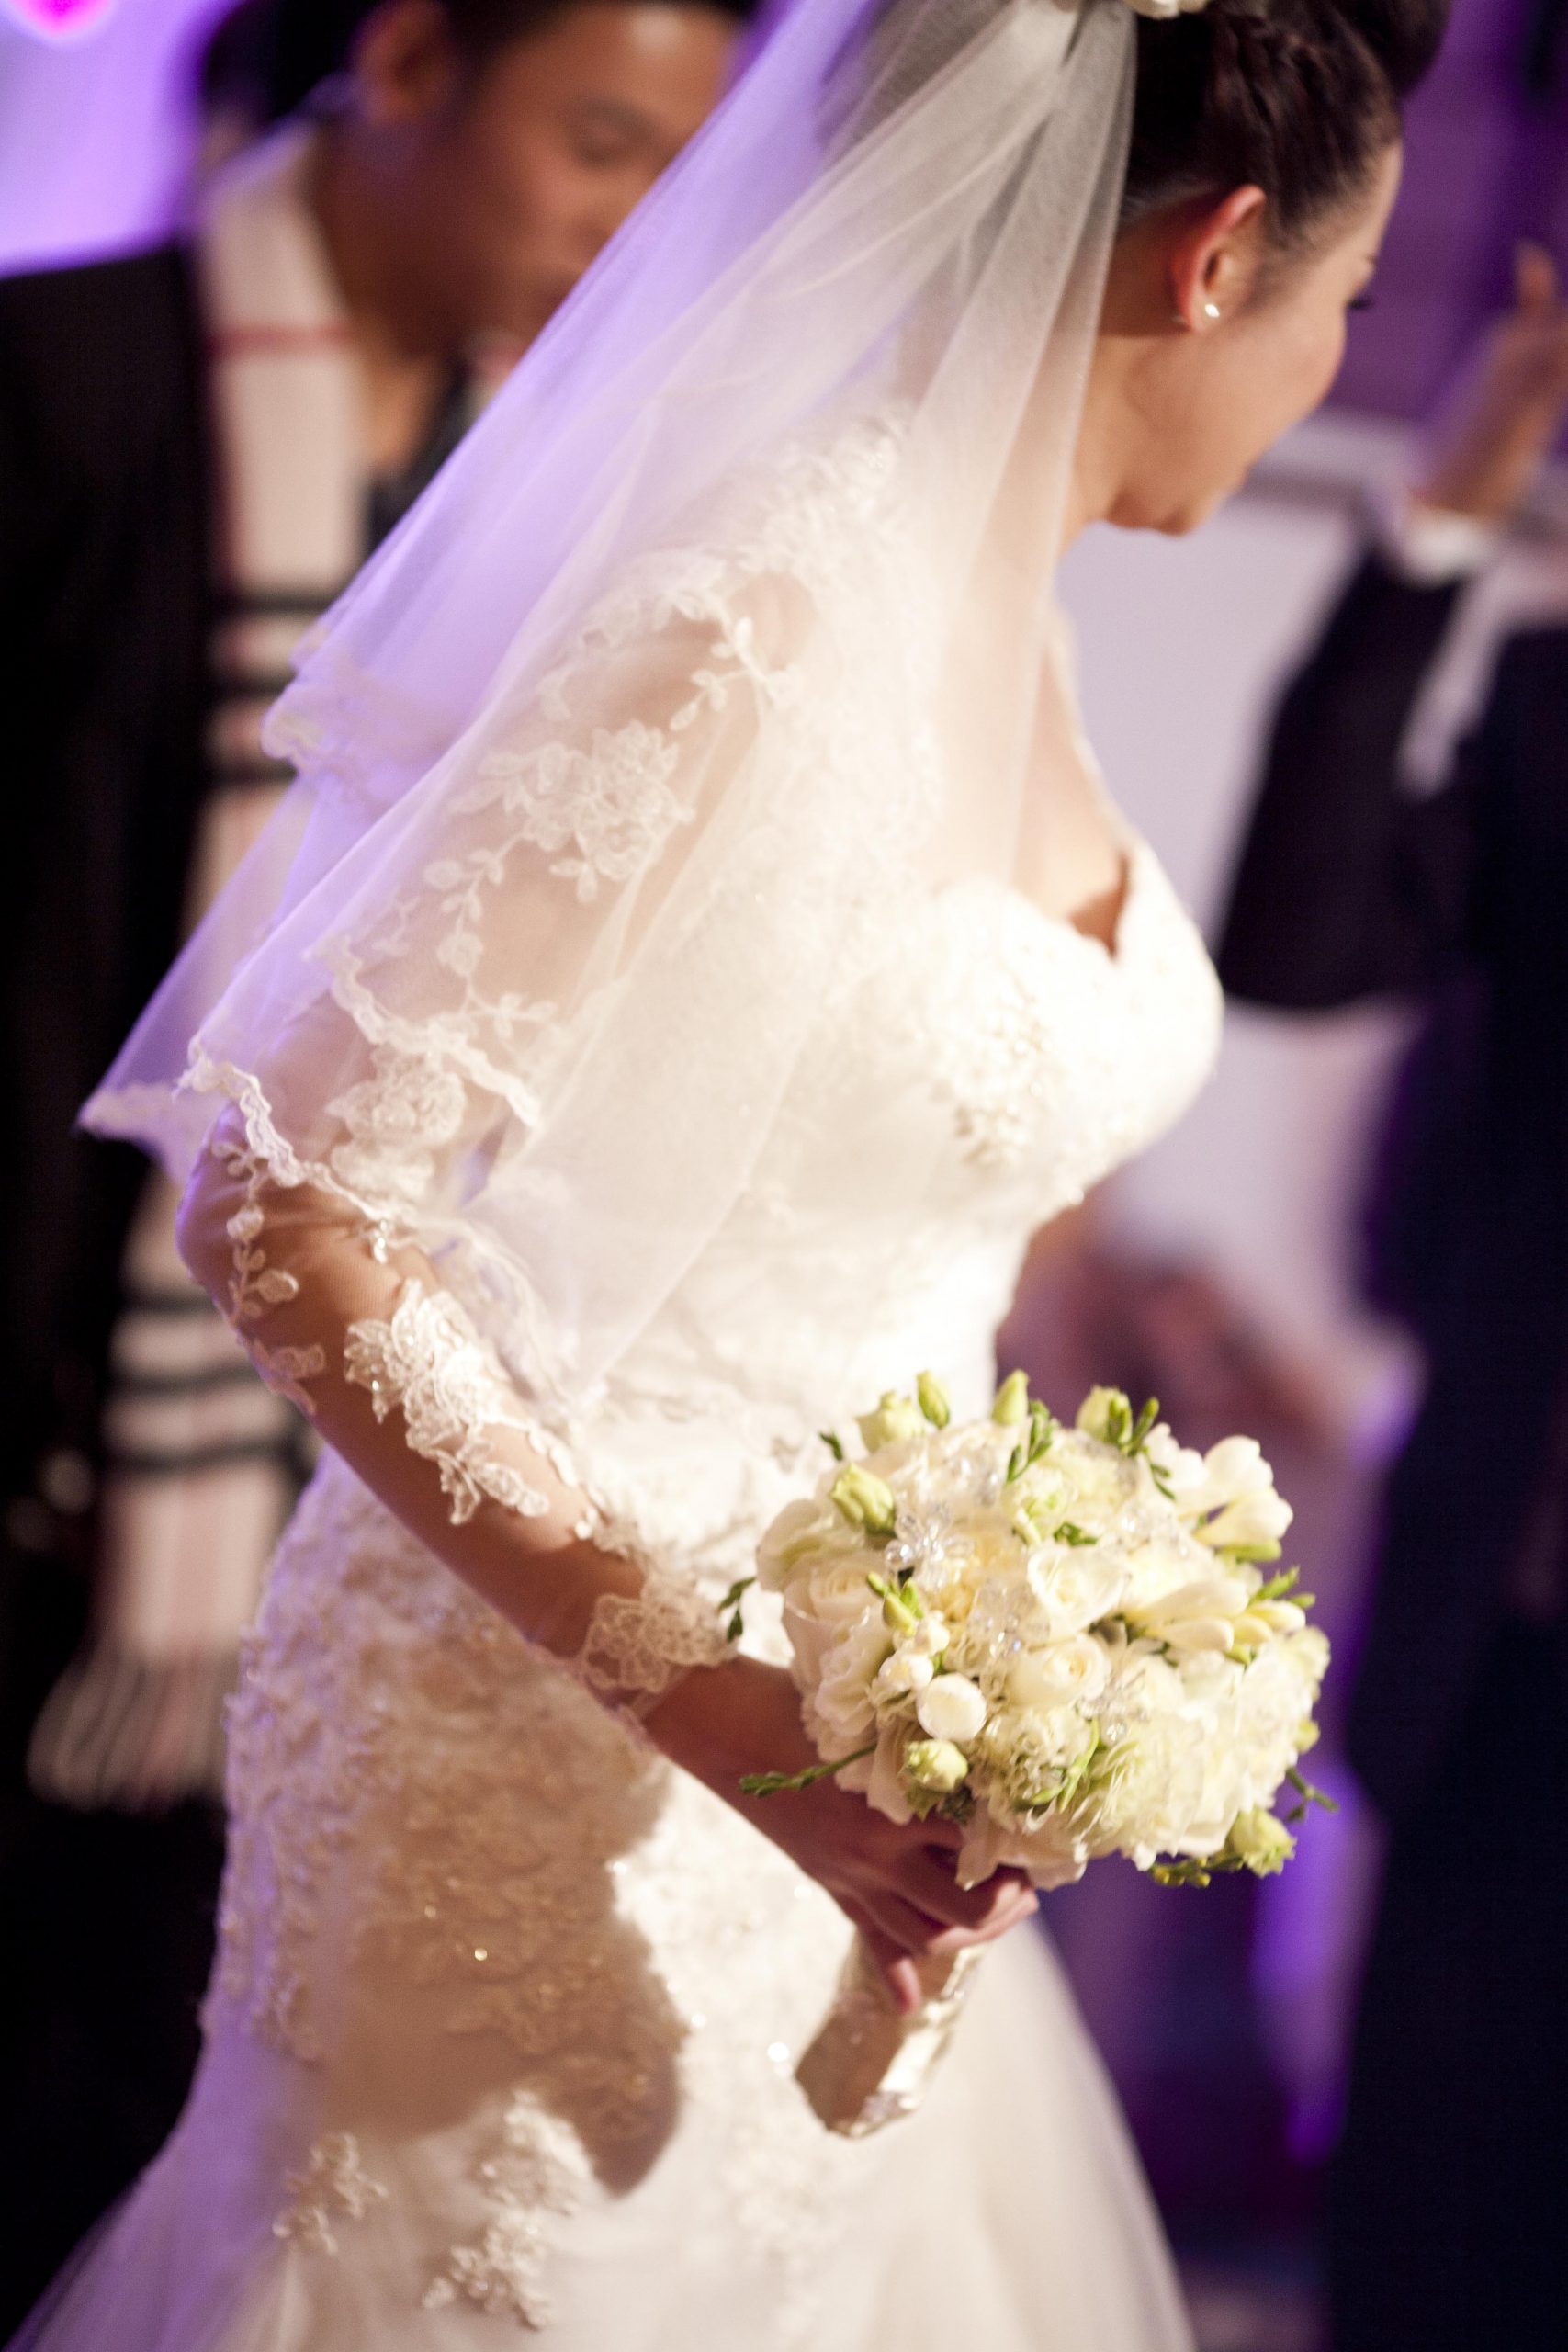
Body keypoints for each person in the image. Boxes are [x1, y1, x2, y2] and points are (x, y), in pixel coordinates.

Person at [9, 1, 1447, 2346]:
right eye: (1346, 301)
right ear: (1214, 266)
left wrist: (1039, 1646)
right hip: (545, 1743)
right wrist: (723, 1708)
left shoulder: (1013, 606)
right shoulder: (747, 609)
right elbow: (287, 1202)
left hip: (858, 1756)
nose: (1326, 368)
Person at [0, 1, 750, 2327]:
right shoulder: (63, 377)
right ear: (410, 60)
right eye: (597, 140)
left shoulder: (518, 489)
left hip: (245, 1476)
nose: (627, 227)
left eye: (676, 177)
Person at [1216, 245, 1568, 2352]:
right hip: (1509, 1650)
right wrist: (1449, 498)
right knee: (1430, 2253)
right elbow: (1292, 928)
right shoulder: (1549, 705)